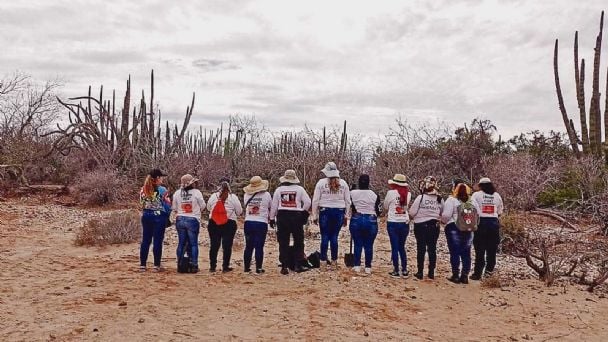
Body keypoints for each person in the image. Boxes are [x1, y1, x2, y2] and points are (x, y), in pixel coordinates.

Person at [270, 169, 312, 275]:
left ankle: (284, 265)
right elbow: (307, 202)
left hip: (282, 216)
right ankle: (298, 264)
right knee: (299, 240)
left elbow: (274, 206)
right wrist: (303, 213)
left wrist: (271, 218)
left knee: (283, 241)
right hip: (296, 215)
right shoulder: (300, 189)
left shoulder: (279, 190)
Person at [312, 162, 351, 267]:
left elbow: (315, 200)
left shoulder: (321, 183)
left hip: (325, 211)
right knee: (334, 236)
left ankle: (323, 261)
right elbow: (348, 201)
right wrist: (346, 215)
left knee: (324, 236)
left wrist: (314, 215)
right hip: (339, 212)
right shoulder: (343, 183)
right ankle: (334, 261)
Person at [409, 176, 443, 280]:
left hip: (421, 226)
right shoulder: (439, 199)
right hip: (434, 226)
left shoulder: (421, 197)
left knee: (421, 248)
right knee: (432, 249)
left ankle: (420, 272)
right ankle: (431, 272)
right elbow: (442, 212)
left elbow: (412, 212)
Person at [441, 179, 474, 284]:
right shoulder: (471, 200)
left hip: (454, 227)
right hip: (468, 228)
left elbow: (446, 215)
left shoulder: (451, 200)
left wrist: (443, 221)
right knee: (466, 252)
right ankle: (465, 276)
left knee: (454, 252)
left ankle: (455, 275)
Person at [470, 177, 504, 280]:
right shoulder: (496, 195)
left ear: (480, 185)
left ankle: (477, 274)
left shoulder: (476, 195)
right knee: (492, 250)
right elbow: (500, 210)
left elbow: (473, 208)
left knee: (479, 250)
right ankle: (489, 273)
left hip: (481, 223)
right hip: (493, 223)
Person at [206, 180, 243, 273]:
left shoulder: (213, 196)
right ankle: (225, 266)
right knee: (227, 245)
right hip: (229, 223)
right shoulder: (233, 197)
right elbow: (239, 211)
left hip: (214, 222)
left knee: (214, 245)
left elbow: (208, 208)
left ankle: (212, 266)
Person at [172, 174, 206, 273]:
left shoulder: (177, 193)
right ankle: (194, 265)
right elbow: (203, 205)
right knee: (193, 243)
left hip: (180, 218)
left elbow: (174, 207)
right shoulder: (197, 192)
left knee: (181, 243)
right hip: (193, 219)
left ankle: (180, 264)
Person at [139, 168, 171, 272]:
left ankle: (143, 265)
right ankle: (156, 265)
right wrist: (167, 216)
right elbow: (167, 205)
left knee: (145, 240)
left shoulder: (143, 189)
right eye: (161, 177)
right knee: (157, 241)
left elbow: (141, 204)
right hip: (158, 216)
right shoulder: (163, 190)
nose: (162, 179)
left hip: (146, 215)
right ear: (157, 178)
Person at [349, 174, 380, 274]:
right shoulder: (374, 194)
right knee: (369, 245)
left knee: (357, 243)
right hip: (370, 219)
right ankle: (368, 267)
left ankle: (357, 265)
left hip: (357, 218)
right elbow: (377, 211)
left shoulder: (352, 193)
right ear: (368, 182)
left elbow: (351, 206)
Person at [242, 176, 273, 274]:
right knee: (259, 246)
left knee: (248, 246)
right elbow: (270, 207)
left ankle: (247, 267)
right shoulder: (267, 195)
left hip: (248, 221)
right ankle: (258, 268)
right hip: (261, 222)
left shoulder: (246, 195)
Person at [383, 173, 412, 278]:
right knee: (401, 247)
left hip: (393, 221)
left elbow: (385, 206)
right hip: (404, 222)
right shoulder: (408, 194)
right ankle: (404, 269)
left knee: (394, 246)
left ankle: (396, 270)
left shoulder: (391, 193)